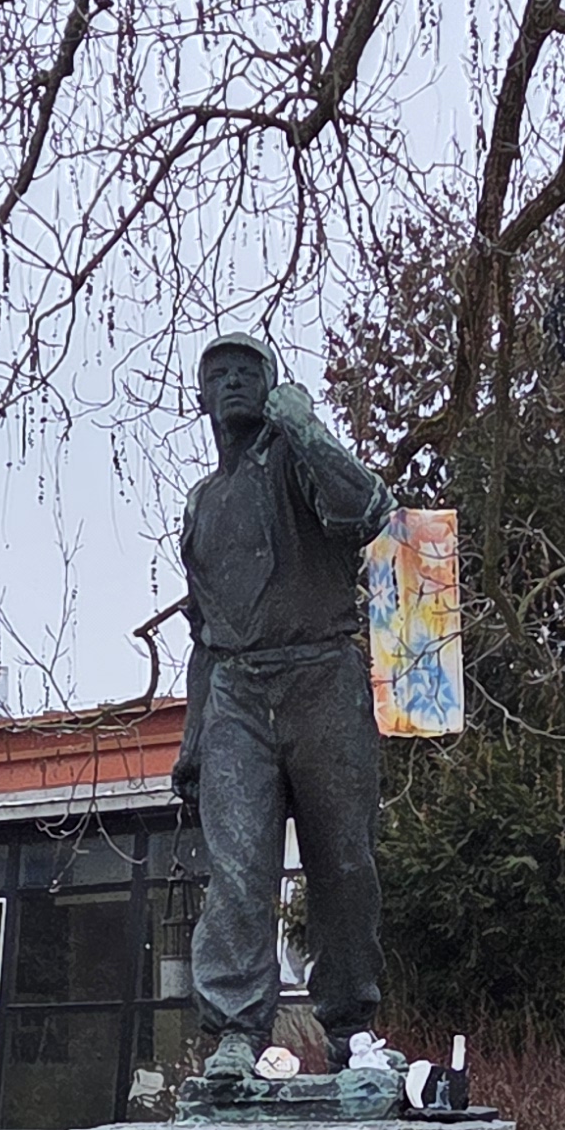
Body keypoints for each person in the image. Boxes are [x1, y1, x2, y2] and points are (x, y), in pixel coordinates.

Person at [168, 332, 395, 1085]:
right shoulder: (203, 505)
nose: (232, 382)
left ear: (271, 387)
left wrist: (304, 425)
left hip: (321, 676)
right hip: (235, 689)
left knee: (344, 863)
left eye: (247, 372)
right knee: (238, 871)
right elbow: (203, 634)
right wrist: (194, 737)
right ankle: (235, 1030)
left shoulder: (300, 466)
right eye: (218, 374)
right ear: (201, 397)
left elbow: (367, 510)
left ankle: (352, 1027)